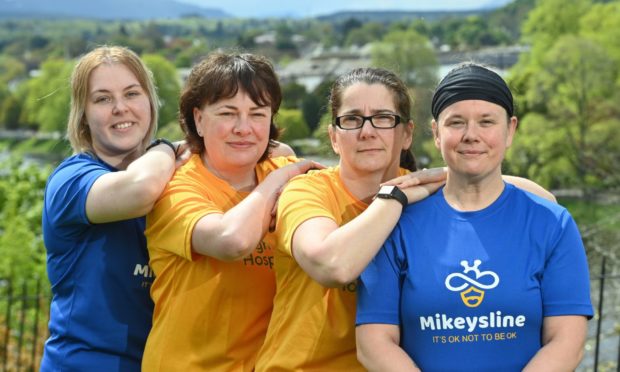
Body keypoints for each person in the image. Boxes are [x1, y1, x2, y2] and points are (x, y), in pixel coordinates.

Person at [254, 67, 556, 371]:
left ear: (407, 134)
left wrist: (456, 174)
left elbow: (545, 201)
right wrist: (392, 200)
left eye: (384, 119)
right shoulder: (308, 190)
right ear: (334, 137)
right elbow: (332, 264)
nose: (367, 131)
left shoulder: (423, 192)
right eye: (352, 119)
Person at [355, 63, 593, 371]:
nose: (471, 135)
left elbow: (567, 342)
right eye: (456, 123)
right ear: (436, 133)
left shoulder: (552, 224)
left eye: (486, 122)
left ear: (510, 130)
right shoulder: (396, 225)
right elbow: (374, 344)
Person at [141, 52, 319, 371]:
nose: (244, 128)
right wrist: (276, 182)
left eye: (257, 114)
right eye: (228, 113)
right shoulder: (175, 188)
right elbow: (231, 241)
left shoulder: (294, 176)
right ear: (198, 118)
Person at [40, 45, 185, 371]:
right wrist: (166, 147)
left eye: (132, 93)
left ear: (150, 101)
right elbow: (139, 190)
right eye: (103, 99)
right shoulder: (70, 181)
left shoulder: (173, 177)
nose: (121, 108)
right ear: (83, 114)